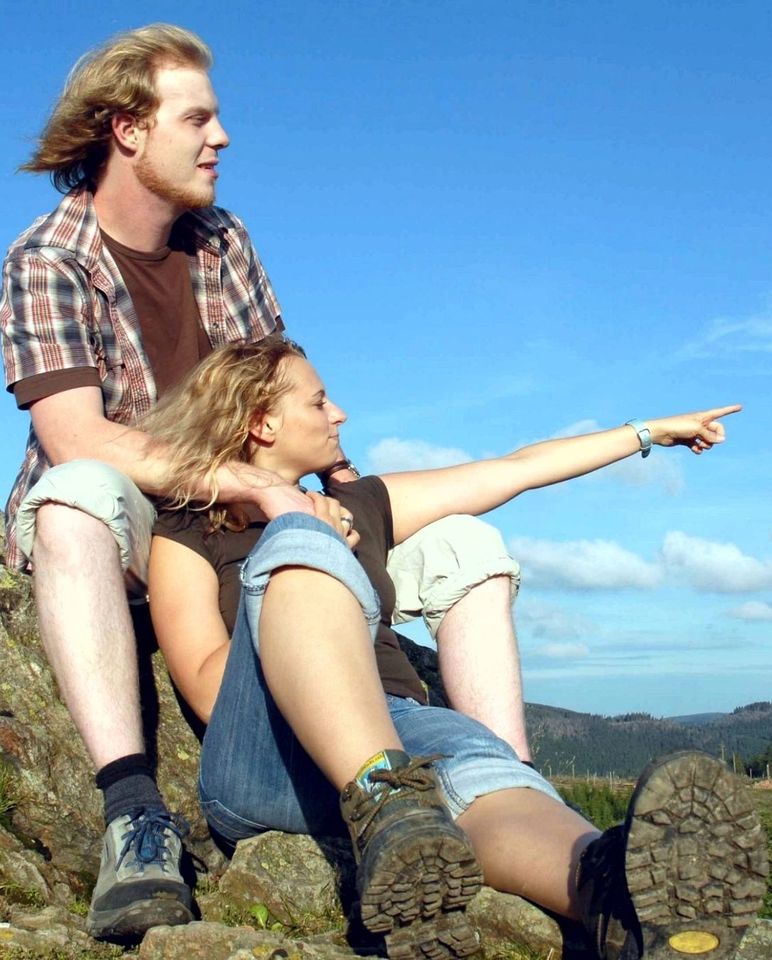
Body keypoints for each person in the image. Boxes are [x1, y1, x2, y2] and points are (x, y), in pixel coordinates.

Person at [0, 24, 532, 941]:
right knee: (76, 496)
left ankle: (511, 785)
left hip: (245, 519)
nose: (223, 137)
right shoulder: (47, 259)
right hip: (140, 518)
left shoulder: (223, 241)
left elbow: (282, 381)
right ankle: (134, 815)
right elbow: (77, 433)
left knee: (471, 546)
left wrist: (340, 486)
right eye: (198, 116)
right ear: (127, 128)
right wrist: (256, 485)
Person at [142, 337, 768, 960]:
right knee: (301, 554)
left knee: (488, 780)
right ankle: (386, 803)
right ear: (262, 422)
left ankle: (612, 895)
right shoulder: (187, 528)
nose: (340, 415)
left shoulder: (361, 504)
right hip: (270, 753)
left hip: (403, 723)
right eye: (320, 401)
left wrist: (650, 431)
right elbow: (203, 684)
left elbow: (516, 468)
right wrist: (300, 541)